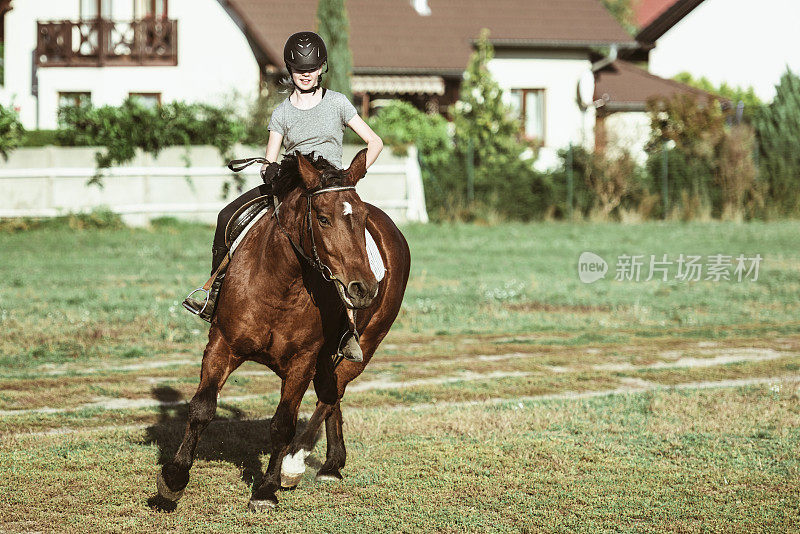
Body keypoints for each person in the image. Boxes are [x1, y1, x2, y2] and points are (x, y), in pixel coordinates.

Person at [182, 31, 384, 362]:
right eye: (299, 69)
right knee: (226, 216)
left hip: (330, 192)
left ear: (322, 68)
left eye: (312, 68)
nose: (306, 74)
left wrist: (349, 176)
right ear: (290, 70)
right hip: (292, 189)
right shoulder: (282, 113)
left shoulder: (338, 103)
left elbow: (373, 142)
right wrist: (271, 171)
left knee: (350, 247)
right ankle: (213, 294)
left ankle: (349, 326)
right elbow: (270, 160)